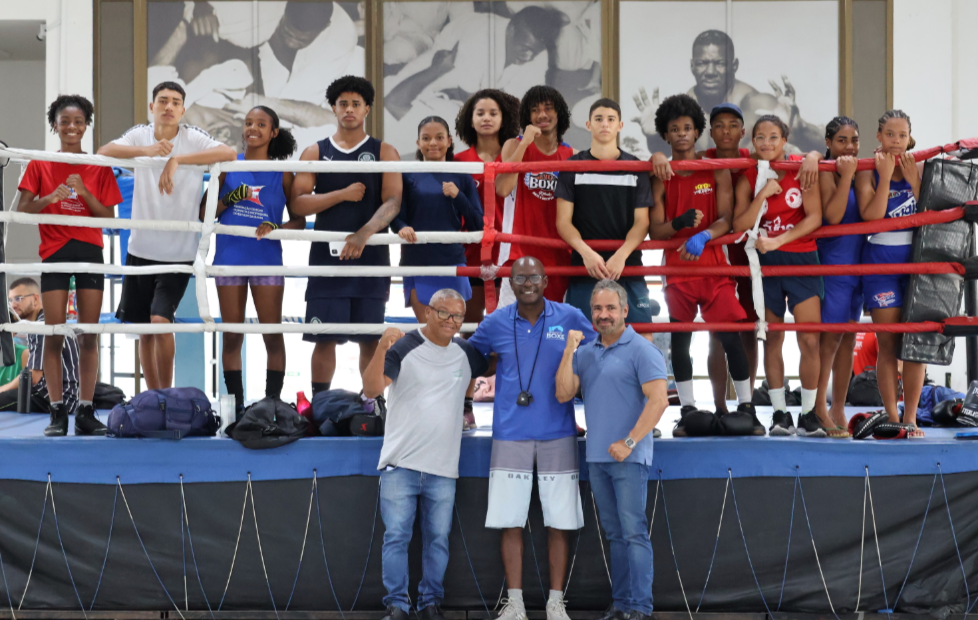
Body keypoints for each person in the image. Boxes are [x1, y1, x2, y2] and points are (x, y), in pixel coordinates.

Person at [467, 256, 595, 620]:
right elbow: (468, 359)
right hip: (510, 434)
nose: (527, 283)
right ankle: (516, 603)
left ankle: (556, 603)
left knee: (560, 521)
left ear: (545, 279)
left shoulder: (569, 316)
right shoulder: (494, 322)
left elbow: (596, 355)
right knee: (510, 520)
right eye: (519, 277)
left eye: (533, 276)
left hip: (559, 433)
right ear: (510, 280)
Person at [99, 81, 237, 391]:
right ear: (152, 107)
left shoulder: (192, 137)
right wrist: (147, 152)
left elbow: (228, 152)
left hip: (178, 252)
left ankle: (167, 396)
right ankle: (154, 397)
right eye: (162, 100)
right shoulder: (140, 134)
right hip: (140, 248)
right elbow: (104, 151)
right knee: (144, 330)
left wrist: (177, 160)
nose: (169, 106)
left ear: (183, 110)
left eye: (175, 102)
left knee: (161, 321)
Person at [362, 289, 488, 620]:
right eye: (444, 313)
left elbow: (484, 368)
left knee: (438, 541)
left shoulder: (465, 351)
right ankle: (398, 606)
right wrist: (380, 347)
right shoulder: (404, 345)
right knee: (397, 538)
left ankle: (430, 602)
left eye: (458, 316)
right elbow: (371, 389)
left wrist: (467, 401)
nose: (451, 321)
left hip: (443, 467)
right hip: (400, 464)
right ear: (428, 312)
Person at [555, 279, 668, 620]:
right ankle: (621, 604)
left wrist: (630, 441)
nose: (604, 315)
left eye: (610, 309)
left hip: (629, 458)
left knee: (633, 533)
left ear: (625, 311)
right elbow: (563, 393)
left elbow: (659, 400)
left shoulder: (643, 350)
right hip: (597, 458)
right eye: (598, 309)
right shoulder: (586, 351)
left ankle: (641, 608)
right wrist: (568, 350)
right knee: (616, 534)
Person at [647, 94, 758, 433]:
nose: (681, 134)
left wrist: (705, 235)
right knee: (681, 342)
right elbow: (655, 231)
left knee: (731, 339)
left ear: (697, 133)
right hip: (678, 271)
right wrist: (680, 224)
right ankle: (688, 409)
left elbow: (726, 218)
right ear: (665, 135)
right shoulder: (660, 174)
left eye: (687, 128)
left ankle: (748, 408)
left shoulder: (716, 170)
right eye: (674, 129)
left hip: (713, 268)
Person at [16, 95, 123, 435]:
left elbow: (111, 218)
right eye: (65, 121)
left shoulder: (97, 165)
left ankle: (87, 411)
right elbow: (22, 210)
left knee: (88, 335)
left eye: (78, 121)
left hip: (90, 249)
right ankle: (57, 412)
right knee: (54, 335)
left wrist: (84, 193)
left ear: (86, 125)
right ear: (55, 126)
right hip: (55, 251)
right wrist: (51, 198)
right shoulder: (41, 163)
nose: (72, 127)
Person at [291, 76, 402, 398]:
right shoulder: (316, 151)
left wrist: (363, 234)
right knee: (324, 337)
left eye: (356, 104)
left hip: (371, 258)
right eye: (343, 104)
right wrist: (341, 193)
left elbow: (393, 201)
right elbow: (298, 202)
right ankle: (318, 404)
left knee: (369, 338)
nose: (349, 109)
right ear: (333, 108)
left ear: (367, 108)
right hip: (327, 260)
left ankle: (371, 403)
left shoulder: (384, 150)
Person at [205, 106, 305, 415]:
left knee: (271, 333)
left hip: (266, 259)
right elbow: (202, 214)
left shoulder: (283, 171)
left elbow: (299, 221)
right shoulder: (227, 164)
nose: (253, 128)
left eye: (261, 124)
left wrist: (276, 228)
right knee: (232, 334)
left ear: (273, 132)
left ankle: (272, 403)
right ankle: (234, 407)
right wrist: (231, 199)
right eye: (248, 123)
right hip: (229, 258)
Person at [733, 116, 823, 436]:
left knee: (810, 338)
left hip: (801, 260)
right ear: (753, 142)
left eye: (774, 137)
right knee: (773, 338)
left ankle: (810, 414)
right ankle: (781, 414)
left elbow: (814, 217)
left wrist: (778, 241)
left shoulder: (801, 168)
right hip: (765, 266)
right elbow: (740, 223)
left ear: (785, 140)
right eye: (761, 138)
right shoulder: (748, 175)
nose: (767, 143)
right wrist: (763, 194)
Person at [631, 30, 824, 155]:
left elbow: (825, 148)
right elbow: (668, 153)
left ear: (734, 66)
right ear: (692, 66)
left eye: (719, 63)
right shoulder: (684, 110)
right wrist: (653, 136)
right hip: (707, 200)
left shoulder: (757, 105)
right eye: (702, 63)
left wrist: (801, 129)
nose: (711, 72)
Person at [854, 109, 926, 437]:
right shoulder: (867, 170)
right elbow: (872, 216)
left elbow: (936, 215)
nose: (896, 142)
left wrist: (914, 183)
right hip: (881, 265)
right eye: (890, 135)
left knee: (916, 343)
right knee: (888, 342)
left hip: (916, 266)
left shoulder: (921, 167)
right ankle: (892, 415)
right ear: (879, 137)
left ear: (910, 138)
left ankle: (910, 417)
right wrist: (886, 177)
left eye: (902, 135)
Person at [555, 97, 656, 327]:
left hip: (628, 264)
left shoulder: (636, 168)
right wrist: (586, 253)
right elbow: (563, 222)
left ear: (620, 125)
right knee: (581, 336)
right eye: (598, 119)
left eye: (611, 119)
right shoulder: (571, 167)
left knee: (642, 334)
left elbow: (642, 222)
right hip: (584, 267)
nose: (605, 124)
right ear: (588, 124)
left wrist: (621, 255)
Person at [394, 116, 482, 322]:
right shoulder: (408, 175)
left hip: (451, 261)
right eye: (426, 138)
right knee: (428, 332)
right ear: (418, 143)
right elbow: (396, 217)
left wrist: (458, 196)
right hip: (416, 261)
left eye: (439, 137)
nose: (433, 143)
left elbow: (477, 223)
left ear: (449, 141)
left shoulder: (461, 175)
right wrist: (402, 227)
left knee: (450, 331)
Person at [496, 86, 574, 305]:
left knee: (552, 325)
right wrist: (525, 143)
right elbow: (502, 188)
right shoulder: (513, 145)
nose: (542, 114)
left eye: (548, 108)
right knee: (512, 324)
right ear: (527, 116)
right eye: (535, 110)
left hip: (558, 253)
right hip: (518, 250)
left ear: (559, 113)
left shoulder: (571, 155)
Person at [453, 89, 521, 324]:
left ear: (504, 119)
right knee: (469, 327)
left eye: (493, 113)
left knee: (505, 328)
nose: (486, 118)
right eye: (480, 113)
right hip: (468, 251)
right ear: (470, 119)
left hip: (507, 251)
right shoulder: (458, 161)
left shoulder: (515, 154)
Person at [814, 116, 863, 437]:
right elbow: (832, 216)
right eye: (842, 140)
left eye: (854, 140)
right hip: (833, 265)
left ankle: (838, 406)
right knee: (828, 340)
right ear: (829, 143)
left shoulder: (863, 170)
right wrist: (845, 176)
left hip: (859, 265)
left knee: (848, 340)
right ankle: (819, 407)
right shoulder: (826, 171)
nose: (849, 147)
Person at [0, 279, 82, 435]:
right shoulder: (45, 322)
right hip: (65, 396)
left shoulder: (41, 326)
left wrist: (2, 390)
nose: (13, 305)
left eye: (18, 298)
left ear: (36, 299)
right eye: (10, 300)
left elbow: (34, 376)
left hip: (54, 397)